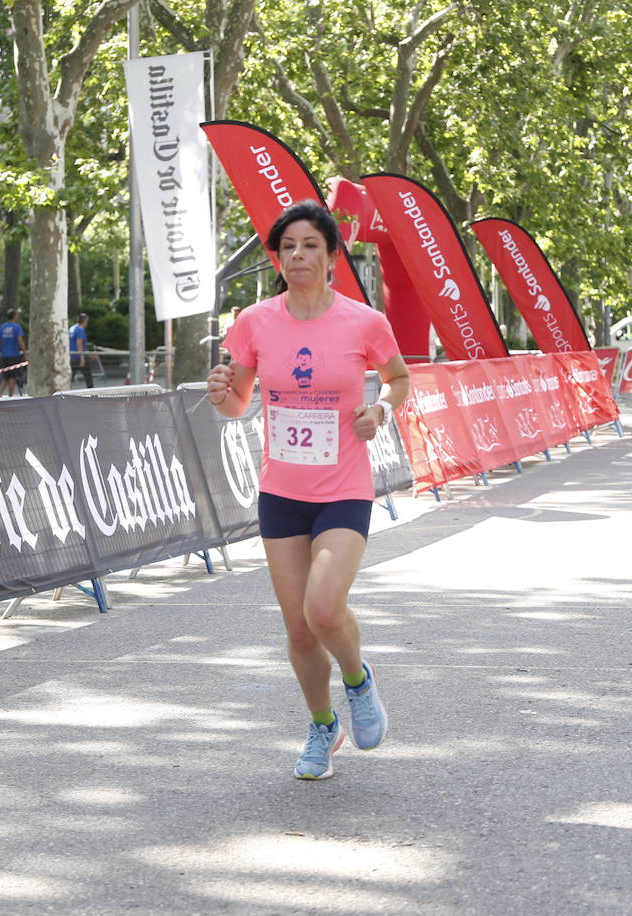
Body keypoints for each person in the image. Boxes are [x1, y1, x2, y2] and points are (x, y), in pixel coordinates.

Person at [206, 200, 410, 781]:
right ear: (277, 258)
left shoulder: (362, 321)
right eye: (287, 246)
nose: (297, 255)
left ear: (331, 256)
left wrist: (382, 410)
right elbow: (235, 403)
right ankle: (323, 725)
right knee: (297, 626)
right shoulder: (254, 321)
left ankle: (359, 682)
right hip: (282, 490)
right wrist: (220, 388)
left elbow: (399, 378)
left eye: (310, 245)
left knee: (323, 608)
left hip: (344, 485)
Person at [0, 309, 27, 397]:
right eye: (17, 315)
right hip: (14, 355)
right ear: (14, 316)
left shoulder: (2, 327)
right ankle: (10, 396)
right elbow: (20, 340)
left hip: (4, 355)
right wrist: (25, 352)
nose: (18, 316)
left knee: (5, 377)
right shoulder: (17, 327)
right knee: (12, 377)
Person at [68, 312, 94, 389]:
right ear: (85, 321)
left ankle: (64, 391)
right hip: (78, 356)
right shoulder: (80, 329)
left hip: (71, 356)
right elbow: (79, 343)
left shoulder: (71, 328)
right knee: (88, 376)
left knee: (70, 376)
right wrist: (82, 357)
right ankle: (92, 393)